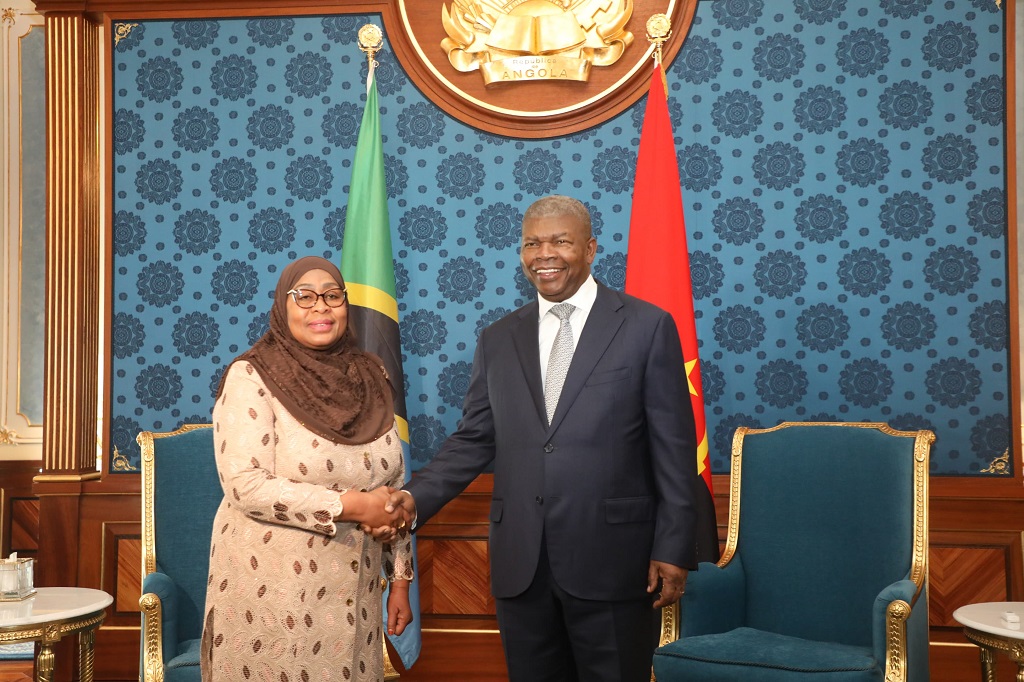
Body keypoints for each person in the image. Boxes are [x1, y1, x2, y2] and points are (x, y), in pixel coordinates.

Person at [383, 195, 699, 682]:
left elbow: (673, 449)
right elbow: (473, 439)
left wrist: (674, 546)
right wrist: (411, 498)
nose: (544, 254)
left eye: (560, 241)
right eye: (532, 243)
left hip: (616, 562)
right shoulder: (498, 338)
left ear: (590, 249)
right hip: (522, 565)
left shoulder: (646, 326)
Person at [201, 256, 414, 682]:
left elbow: (392, 486)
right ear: (283, 305)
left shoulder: (371, 373)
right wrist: (353, 505)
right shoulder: (251, 375)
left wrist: (401, 581)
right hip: (273, 590)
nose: (321, 307)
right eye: (305, 297)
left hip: (357, 592)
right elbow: (245, 485)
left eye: (333, 296)